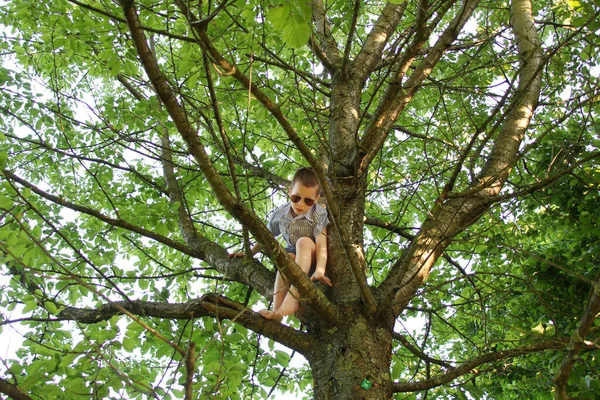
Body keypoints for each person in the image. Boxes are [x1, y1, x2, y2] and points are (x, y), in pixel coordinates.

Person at [229, 167, 332, 321]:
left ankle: (292, 300)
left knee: (303, 242)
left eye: (308, 201)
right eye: (296, 198)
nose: (301, 204)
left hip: (311, 255)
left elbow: (321, 245)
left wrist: (320, 270)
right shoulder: (280, 214)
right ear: (289, 192)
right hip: (293, 255)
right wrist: (250, 253)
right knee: (285, 258)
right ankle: (277, 311)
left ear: (316, 199)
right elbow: (265, 238)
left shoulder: (318, 214)